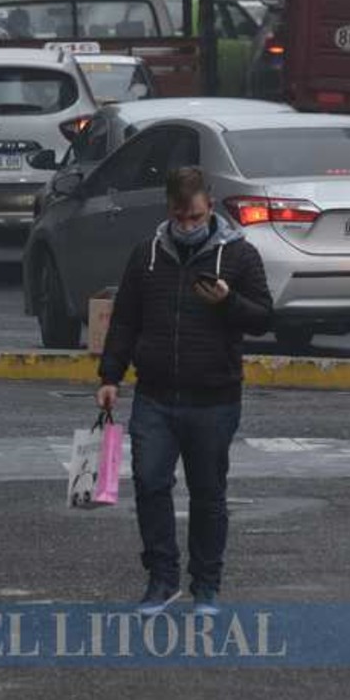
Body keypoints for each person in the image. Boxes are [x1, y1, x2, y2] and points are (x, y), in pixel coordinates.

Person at [96, 166, 273, 617]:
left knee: (208, 493)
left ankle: (207, 586)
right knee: (151, 484)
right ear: (169, 210)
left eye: (196, 217)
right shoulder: (147, 255)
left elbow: (264, 318)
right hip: (154, 395)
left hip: (214, 397)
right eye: (181, 216)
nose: (188, 225)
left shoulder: (239, 256)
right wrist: (109, 377)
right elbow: (125, 321)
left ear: (210, 207)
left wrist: (228, 302)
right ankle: (161, 580)